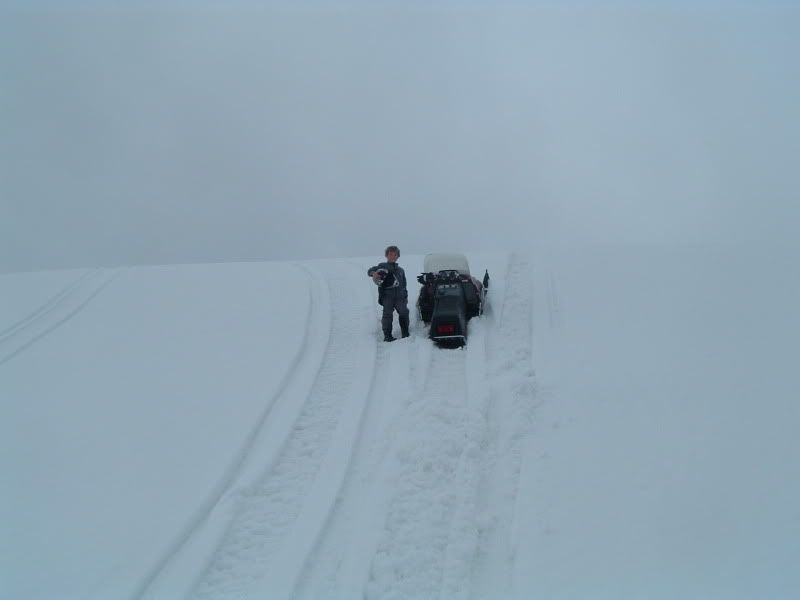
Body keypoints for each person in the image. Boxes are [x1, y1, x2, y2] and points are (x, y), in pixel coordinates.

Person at [367, 245, 410, 342]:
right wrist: (374, 273)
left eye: (395, 254)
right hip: (387, 296)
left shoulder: (401, 270)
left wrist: (405, 295)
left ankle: (405, 332)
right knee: (387, 315)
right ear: (387, 255)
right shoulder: (381, 266)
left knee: (404, 312)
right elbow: (369, 271)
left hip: (400, 296)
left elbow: (404, 284)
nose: (393, 256)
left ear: (398, 256)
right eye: (390, 254)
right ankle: (387, 336)